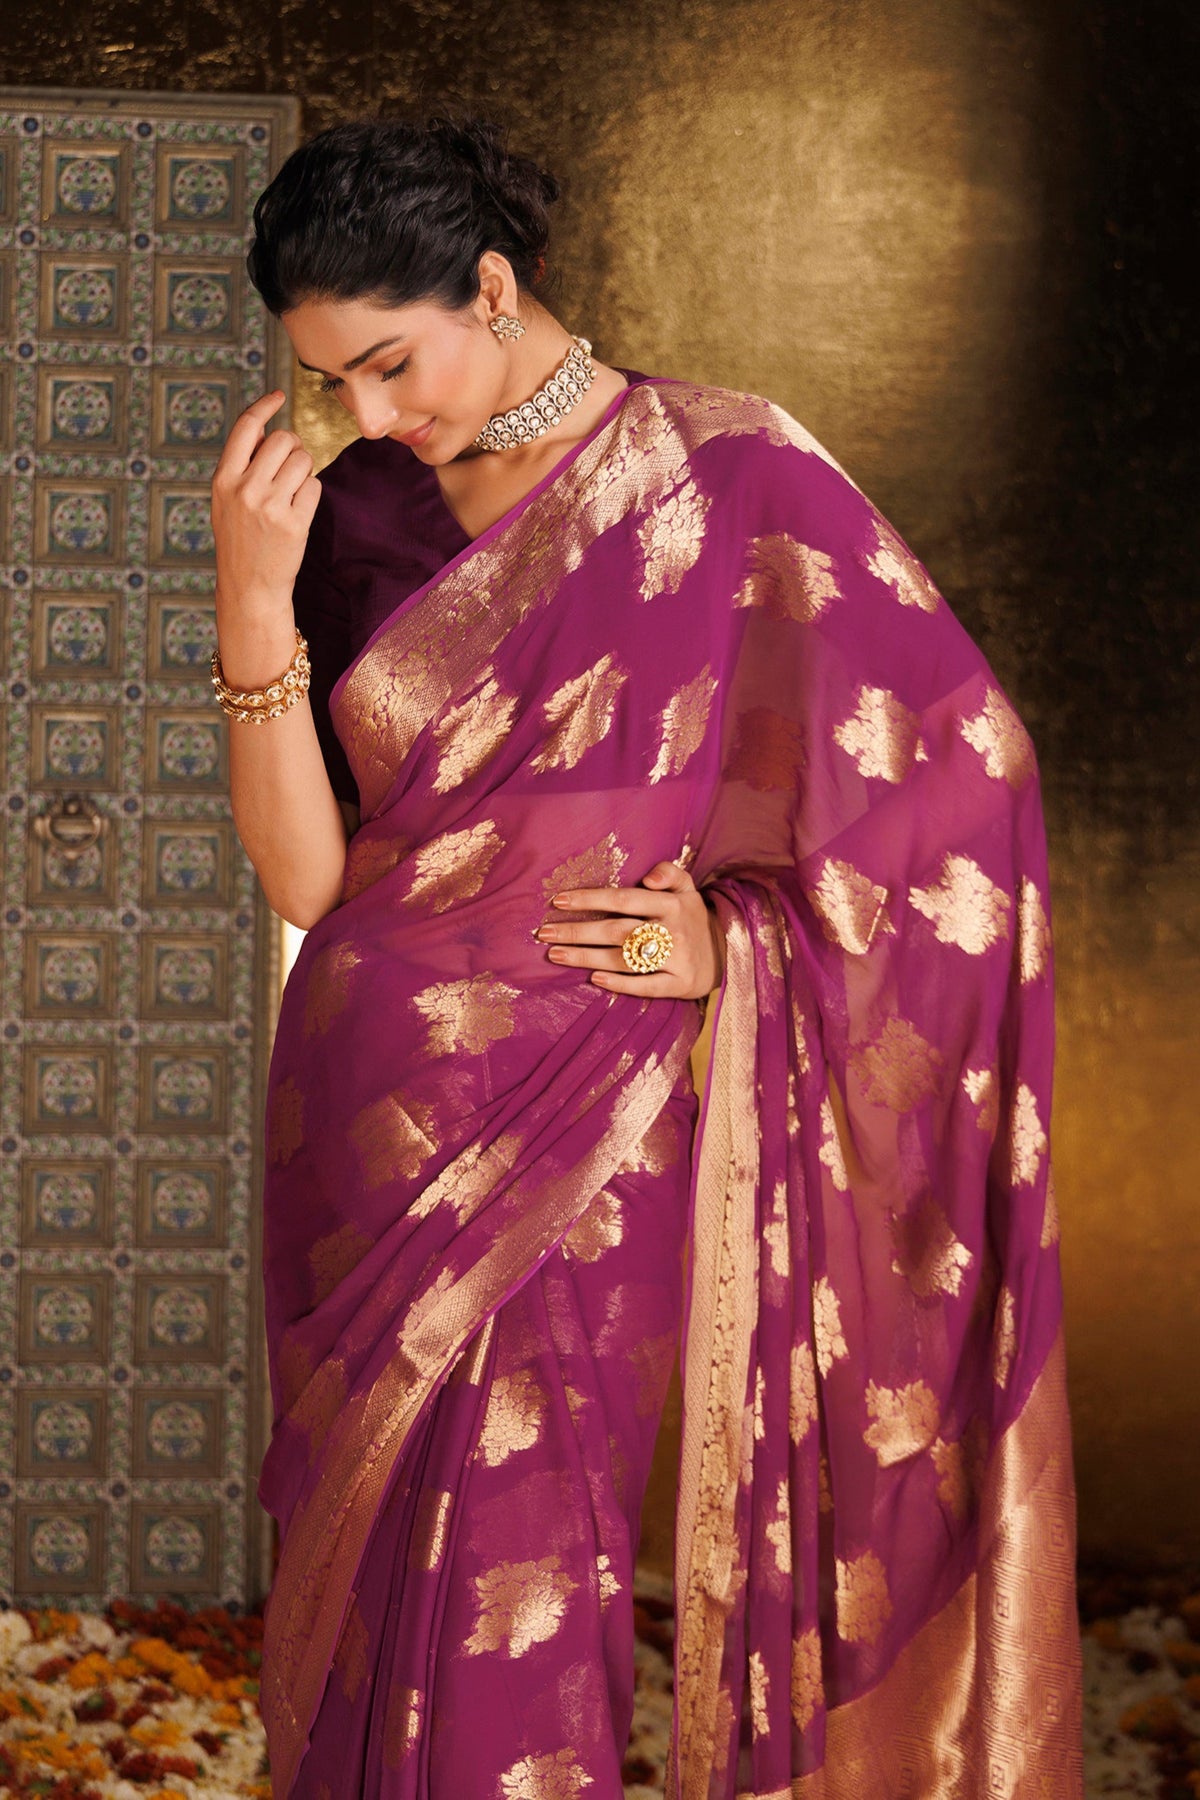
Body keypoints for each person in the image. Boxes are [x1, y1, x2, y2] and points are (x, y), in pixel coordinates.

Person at [211, 113, 1085, 1800]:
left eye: (390, 365)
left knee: (529, 1582)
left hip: (587, 1124)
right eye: (331, 381)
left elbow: (957, 778)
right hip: (364, 1117)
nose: (370, 415)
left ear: (491, 285)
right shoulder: (347, 513)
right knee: (367, 1593)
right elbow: (309, 875)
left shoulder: (729, 475)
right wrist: (254, 601)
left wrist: (734, 941)